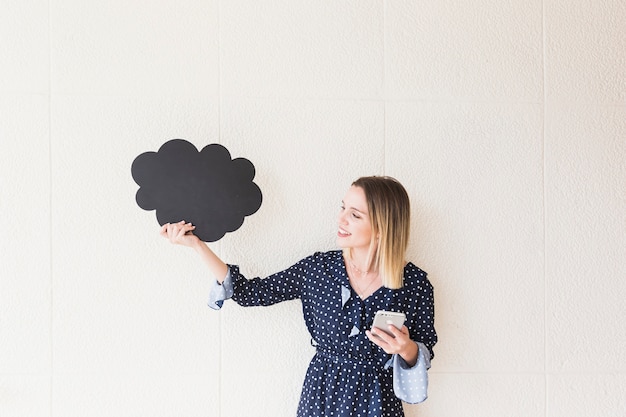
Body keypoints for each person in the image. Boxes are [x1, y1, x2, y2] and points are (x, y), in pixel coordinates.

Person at [161, 176, 437, 417]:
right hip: (322, 396)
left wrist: (405, 348)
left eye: (355, 214)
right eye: (343, 208)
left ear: (382, 225)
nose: (341, 219)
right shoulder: (318, 270)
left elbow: (423, 351)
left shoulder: (414, 284)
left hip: (378, 402)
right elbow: (250, 293)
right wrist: (197, 246)